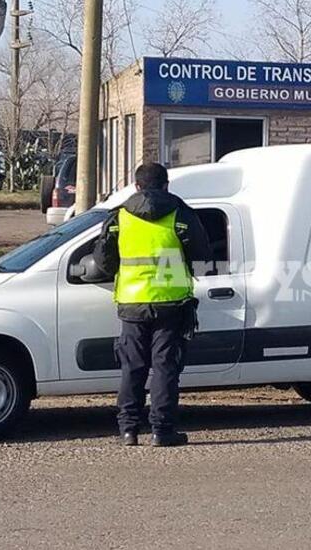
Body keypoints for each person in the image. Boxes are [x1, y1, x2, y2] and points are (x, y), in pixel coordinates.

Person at [94, 163, 211, 446]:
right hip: (171, 304)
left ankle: (128, 430)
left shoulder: (119, 217)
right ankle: (162, 431)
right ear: (166, 185)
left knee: (132, 367)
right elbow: (203, 254)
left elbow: (103, 260)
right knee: (165, 368)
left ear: (136, 186)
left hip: (132, 303)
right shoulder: (180, 213)